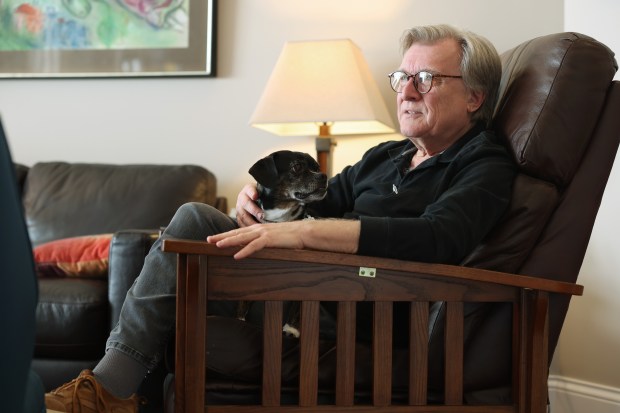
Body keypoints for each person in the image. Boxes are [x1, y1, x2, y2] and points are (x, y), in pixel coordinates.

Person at [45, 24, 516, 412]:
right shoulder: (387, 156)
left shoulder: (484, 164)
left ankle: (106, 396)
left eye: (427, 78)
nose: (407, 91)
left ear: (474, 97)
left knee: (182, 291)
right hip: (301, 288)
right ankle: (108, 390)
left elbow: (438, 238)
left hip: (351, 308)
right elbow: (321, 202)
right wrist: (259, 202)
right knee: (195, 219)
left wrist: (304, 233)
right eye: (402, 77)